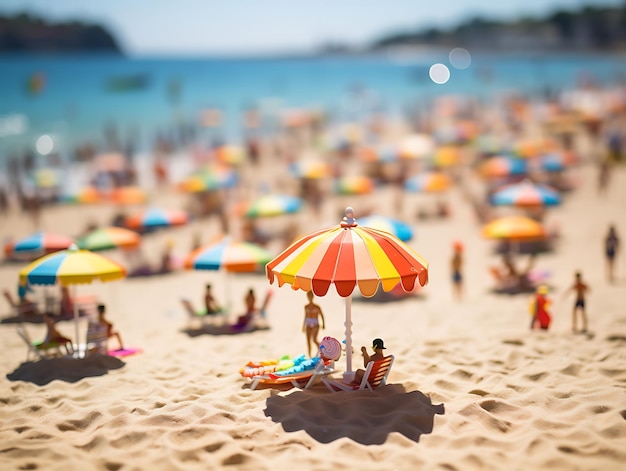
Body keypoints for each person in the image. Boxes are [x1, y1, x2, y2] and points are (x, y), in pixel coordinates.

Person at [302, 291, 326, 357]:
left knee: (314, 339)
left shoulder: (317, 307)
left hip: (315, 324)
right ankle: (309, 355)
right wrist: (303, 326)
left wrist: (323, 324)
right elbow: (305, 316)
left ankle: (321, 348)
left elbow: (322, 315)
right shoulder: (306, 306)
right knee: (308, 340)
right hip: (308, 324)